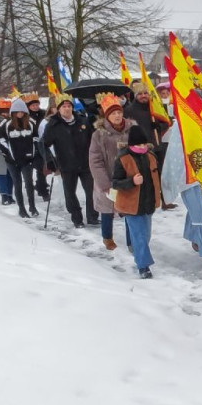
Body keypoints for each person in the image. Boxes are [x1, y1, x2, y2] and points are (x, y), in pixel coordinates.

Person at [111, 125, 162, 279]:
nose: (142, 147)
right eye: (139, 145)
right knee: (139, 236)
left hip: (148, 203)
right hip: (131, 205)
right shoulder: (123, 159)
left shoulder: (151, 156)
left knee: (145, 236)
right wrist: (132, 181)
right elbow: (115, 183)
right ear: (131, 144)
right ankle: (143, 266)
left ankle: (139, 251)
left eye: (144, 144)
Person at [43, 93, 99, 228]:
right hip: (66, 164)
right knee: (70, 193)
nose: (66, 109)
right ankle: (77, 218)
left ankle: (92, 216)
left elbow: (93, 139)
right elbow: (44, 144)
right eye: (63, 107)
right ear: (58, 109)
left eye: (69, 106)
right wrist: (50, 160)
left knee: (91, 190)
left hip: (85, 162)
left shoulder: (82, 120)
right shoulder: (53, 124)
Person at [89, 94, 137, 251]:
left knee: (129, 210)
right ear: (107, 116)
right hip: (108, 178)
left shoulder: (132, 130)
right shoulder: (99, 135)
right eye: (113, 113)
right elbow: (95, 161)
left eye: (119, 112)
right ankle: (107, 237)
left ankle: (132, 241)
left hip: (128, 178)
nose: (117, 116)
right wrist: (105, 184)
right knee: (107, 210)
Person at [0, 98, 41, 218]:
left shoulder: (31, 123)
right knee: (17, 183)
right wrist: (8, 154)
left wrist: (34, 153)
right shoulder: (6, 124)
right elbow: (0, 140)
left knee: (28, 182)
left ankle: (32, 206)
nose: (20, 114)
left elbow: (36, 138)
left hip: (27, 159)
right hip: (12, 160)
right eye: (17, 112)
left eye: (22, 112)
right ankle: (22, 208)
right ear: (13, 112)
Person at [22, 93, 50, 201]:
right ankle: (39, 187)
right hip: (31, 145)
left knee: (42, 168)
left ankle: (42, 188)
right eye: (32, 105)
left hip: (43, 143)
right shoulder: (26, 116)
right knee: (37, 167)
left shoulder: (43, 114)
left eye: (36, 104)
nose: (35, 107)